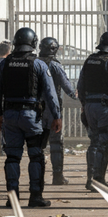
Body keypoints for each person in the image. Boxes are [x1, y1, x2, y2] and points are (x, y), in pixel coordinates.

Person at [0, 27, 61, 208]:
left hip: (10, 116)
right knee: (36, 156)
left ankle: (12, 199)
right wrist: (57, 116)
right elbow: (50, 94)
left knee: (12, 157)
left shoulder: (4, 64)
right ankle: (35, 196)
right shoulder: (38, 64)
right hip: (31, 117)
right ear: (33, 43)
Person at [77, 31, 108, 190]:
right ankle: (98, 180)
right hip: (104, 107)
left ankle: (91, 179)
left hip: (89, 105)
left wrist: (84, 105)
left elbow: (80, 86)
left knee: (94, 142)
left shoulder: (89, 60)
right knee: (104, 142)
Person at [37, 37, 77, 185]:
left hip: (35, 109)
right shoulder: (54, 65)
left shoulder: (34, 63)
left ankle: (38, 178)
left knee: (38, 146)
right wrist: (76, 96)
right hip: (52, 110)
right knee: (56, 144)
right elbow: (67, 86)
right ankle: (57, 176)